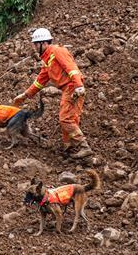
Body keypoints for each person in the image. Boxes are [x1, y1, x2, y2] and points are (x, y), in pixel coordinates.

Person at [13, 28, 93, 159]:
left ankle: (84, 147)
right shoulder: (48, 59)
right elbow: (40, 81)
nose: (34, 47)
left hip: (72, 87)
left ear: (43, 43)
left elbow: (71, 68)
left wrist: (79, 86)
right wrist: (25, 95)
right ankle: (69, 147)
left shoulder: (57, 51)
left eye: (35, 44)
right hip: (68, 89)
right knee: (69, 118)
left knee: (65, 119)